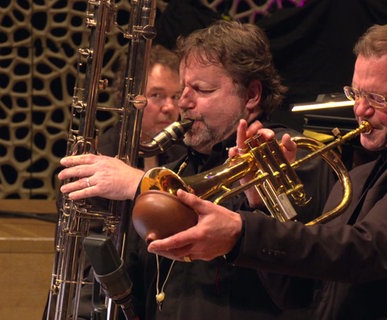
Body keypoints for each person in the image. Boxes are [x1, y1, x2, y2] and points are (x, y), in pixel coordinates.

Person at [146, 21, 387, 319]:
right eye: (356, 93)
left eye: (380, 99)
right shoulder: (362, 173)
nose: (360, 110)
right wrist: (262, 200)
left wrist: (242, 232)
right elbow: (297, 295)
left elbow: (370, 250)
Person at [57, 20, 336, 319]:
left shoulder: (293, 153)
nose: (184, 103)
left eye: (202, 89)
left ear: (251, 95)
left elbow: (296, 276)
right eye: (183, 89)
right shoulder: (181, 166)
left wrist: (141, 184)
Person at [44, 44, 185, 319]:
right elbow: (87, 255)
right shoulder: (98, 155)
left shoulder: (183, 157)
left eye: (176, 96)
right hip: (97, 301)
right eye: (156, 95)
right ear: (130, 100)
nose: (169, 107)